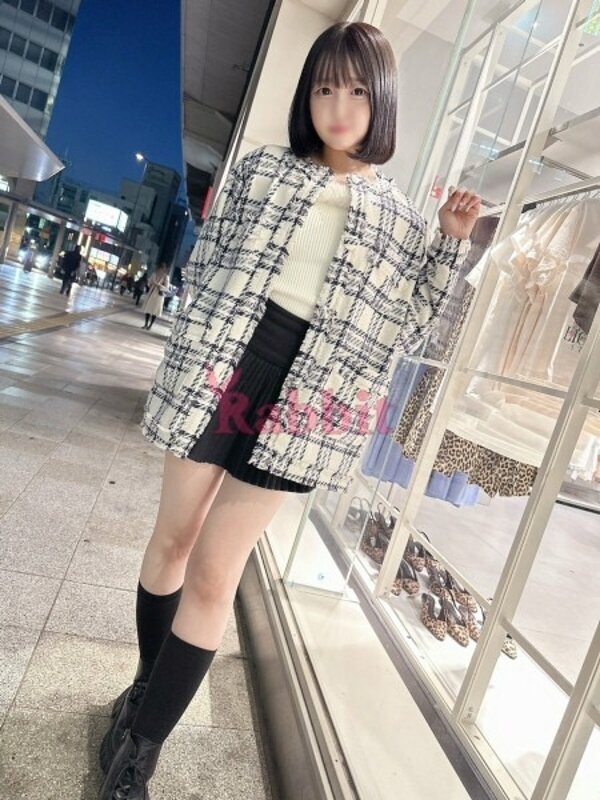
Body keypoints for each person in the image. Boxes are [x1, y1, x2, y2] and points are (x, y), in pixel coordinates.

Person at [98, 22, 480, 799]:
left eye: (358, 91)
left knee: (216, 573)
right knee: (173, 541)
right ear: (308, 97)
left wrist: (449, 246)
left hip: (306, 403)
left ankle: (140, 749)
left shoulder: (403, 219)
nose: (339, 106)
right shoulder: (262, 170)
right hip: (220, 369)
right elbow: (209, 266)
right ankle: (146, 687)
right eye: (324, 88)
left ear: (383, 102)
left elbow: (408, 329)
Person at [140, 264, 169, 330]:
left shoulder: (166, 277)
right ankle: (146, 324)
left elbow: (166, 287)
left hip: (159, 295)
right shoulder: (154, 274)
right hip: (151, 293)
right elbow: (149, 283)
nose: (160, 269)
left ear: (164, 269)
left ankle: (150, 325)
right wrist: (150, 283)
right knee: (148, 309)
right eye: (160, 268)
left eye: (162, 268)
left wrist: (158, 285)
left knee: (155, 311)